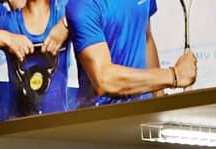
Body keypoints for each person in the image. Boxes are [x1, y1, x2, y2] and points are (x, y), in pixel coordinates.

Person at [67, 0, 197, 109]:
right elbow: (105, 80)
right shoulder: (82, 5)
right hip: (102, 119)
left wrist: (159, 96)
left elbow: (146, 37)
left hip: (143, 111)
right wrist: (174, 76)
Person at [0, 0, 71, 115]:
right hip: (18, 122)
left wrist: (65, 23)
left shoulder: (62, 11)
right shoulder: (10, 22)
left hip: (59, 120)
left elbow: (80, 7)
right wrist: (8, 39)